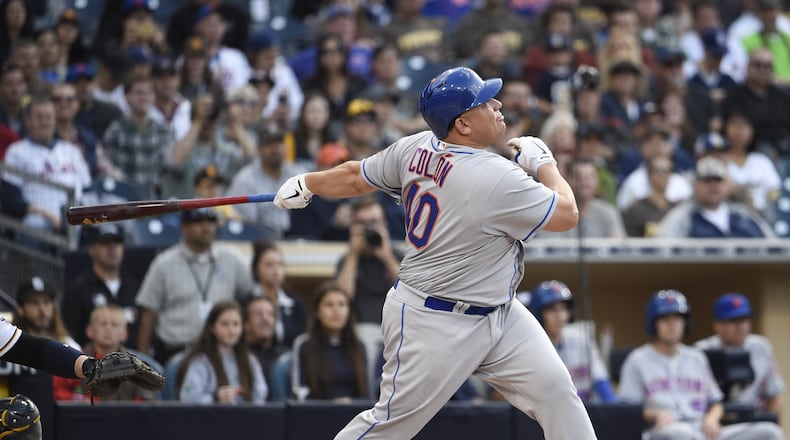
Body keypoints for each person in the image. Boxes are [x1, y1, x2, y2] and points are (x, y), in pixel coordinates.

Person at [273, 66, 595, 438]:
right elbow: (568, 213)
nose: (497, 104)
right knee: (388, 427)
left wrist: (308, 181)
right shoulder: (495, 176)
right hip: (434, 320)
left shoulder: (417, 145)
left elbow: (354, 176)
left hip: (498, 312)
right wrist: (545, 164)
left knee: (557, 393)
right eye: (484, 102)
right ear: (463, 125)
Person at [618, 289, 784, 439]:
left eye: (677, 318)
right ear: (653, 324)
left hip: (701, 429)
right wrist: (655, 414)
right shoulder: (637, 360)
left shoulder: (697, 357)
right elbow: (628, 410)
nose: (672, 325)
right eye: (665, 319)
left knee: (769, 432)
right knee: (679, 433)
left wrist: (712, 418)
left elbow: (716, 402)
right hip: (664, 431)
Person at [135, 208, 254, 365]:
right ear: (184, 227)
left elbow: (250, 298)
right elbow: (148, 314)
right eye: (198, 221)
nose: (206, 227)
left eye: (211, 221)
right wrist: (144, 362)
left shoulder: (232, 259)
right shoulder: (164, 263)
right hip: (175, 352)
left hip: (221, 352)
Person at [696, 293, 785, 417]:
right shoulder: (700, 351)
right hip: (714, 421)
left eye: (744, 319)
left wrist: (774, 424)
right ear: (717, 325)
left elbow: (774, 396)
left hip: (752, 417)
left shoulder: (761, 347)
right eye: (733, 321)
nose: (741, 326)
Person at [527, 280, 617, 403]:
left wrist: (615, 412)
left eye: (563, 309)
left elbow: (601, 381)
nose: (560, 316)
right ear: (539, 314)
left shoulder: (581, 339)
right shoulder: (530, 349)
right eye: (552, 310)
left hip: (586, 411)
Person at [53, 305, 158, 402]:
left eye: (114, 325)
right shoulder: (75, 360)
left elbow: (146, 403)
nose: (108, 329)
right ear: (89, 331)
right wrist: (79, 400)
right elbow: (57, 392)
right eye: (103, 324)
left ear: (124, 334)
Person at [62, 224, 141, 349]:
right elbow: (70, 333)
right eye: (105, 244)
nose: (112, 249)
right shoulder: (78, 289)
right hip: (89, 361)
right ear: (92, 249)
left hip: (132, 361)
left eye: (117, 243)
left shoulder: (134, 288)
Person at [656, 156, 774, 238]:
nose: (713, 185)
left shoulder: (742, 215)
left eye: (718, 180)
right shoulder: (683, 217)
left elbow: (774, 246)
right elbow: (663, 251)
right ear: (695, 185)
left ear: (727, 185)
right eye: (707, 180)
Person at [177, 300, 268, 404]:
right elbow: (188, 398)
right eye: (224, 324)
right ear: (212, 327)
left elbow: (261, 394)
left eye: (236, 324)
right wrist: (215, 398)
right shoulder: (201, 360)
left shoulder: (250, 359)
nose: (231, 330)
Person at [292, 283, 368, 402]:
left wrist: (351, 403)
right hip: (317, 415)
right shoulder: (304, 345)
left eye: (342, 305)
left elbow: (366, 395)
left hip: (354, 415)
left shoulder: (359, 345)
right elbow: (299, 394)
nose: (336, 310)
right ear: (317, 312)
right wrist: (332, 405)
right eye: (329, 305)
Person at [249, 241, 307, 349]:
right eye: (269, 265)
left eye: (280, 264)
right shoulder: (246, 302)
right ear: (256, 269)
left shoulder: (296, 304)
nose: (276, 270)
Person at [241, 295, 288, 381]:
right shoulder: (238, 357)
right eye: (258, 314)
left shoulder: (285, 357)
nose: (265, 318)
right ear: (245, 323)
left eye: (270, 314)